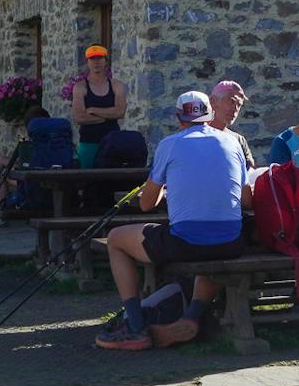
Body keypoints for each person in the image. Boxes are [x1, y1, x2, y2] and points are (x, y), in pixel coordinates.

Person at [96, 91, 249, 350]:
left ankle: (135, 326)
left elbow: (146, 204)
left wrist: (168, 189)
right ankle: (192, 316)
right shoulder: (233, 143)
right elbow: (246, 200)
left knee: (115, 239)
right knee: (211, 251)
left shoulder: (170, 144)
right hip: (231, 242)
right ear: (210, 115)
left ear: (180, 119)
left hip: (186, 242)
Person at [70, 45, 128, 169]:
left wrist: (93, 110)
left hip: (112, 142)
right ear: (87, 62)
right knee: (85, 180)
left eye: (100, 58)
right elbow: (79, 117)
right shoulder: (80, 87)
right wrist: (106, 116)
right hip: (88, 142)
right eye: (92, 59)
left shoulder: (117, 85)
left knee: (112, 180)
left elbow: (120, 112)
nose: (96, 62)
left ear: (106, 61)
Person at [208, 80, 257, 169]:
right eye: (231, 101)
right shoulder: (195, 136)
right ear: (213, 101)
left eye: (239, 105)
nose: (235, 108)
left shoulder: (239, 140)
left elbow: (250, 173)